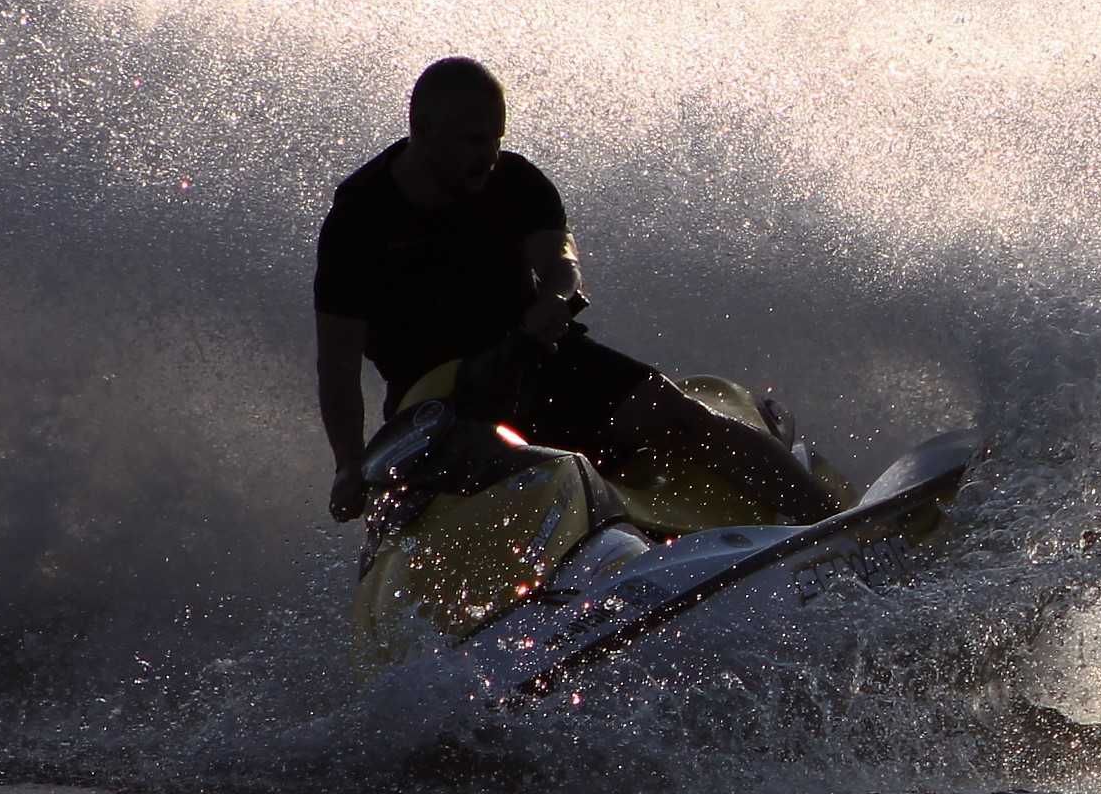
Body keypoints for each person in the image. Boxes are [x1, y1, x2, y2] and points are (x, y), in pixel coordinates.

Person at [313, 56, 834, 525]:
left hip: (534, 357)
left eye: (496, 137)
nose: (490, 154)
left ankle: (832, 523)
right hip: (440, 403)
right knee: (528, 474)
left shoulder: (515, 181)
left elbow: (561, 263)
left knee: (677, 415)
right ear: (422, 130)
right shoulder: (361, 218)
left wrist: (554, 301)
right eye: (474, 140)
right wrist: (346, 463)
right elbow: (337, 365)